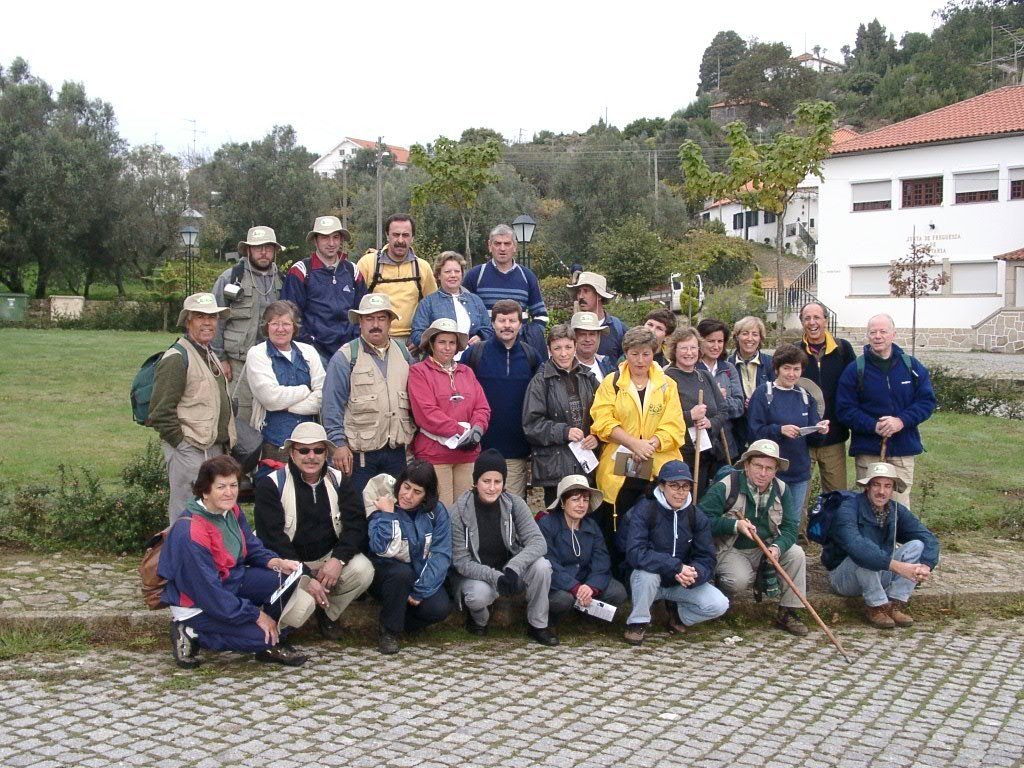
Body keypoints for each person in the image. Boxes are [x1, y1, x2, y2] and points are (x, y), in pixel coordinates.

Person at [160, 455, 314, 669]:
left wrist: (276, 562)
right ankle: (191, 631)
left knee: (286, 580)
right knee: (262, 638)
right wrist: (256, 614)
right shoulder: (191, 532)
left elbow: (250, 545)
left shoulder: (230, 510)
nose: (229, 492)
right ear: (205, 491)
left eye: (233, 485)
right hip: (199, 604)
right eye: (221, 486)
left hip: (229, 582)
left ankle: (271, 637)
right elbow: (210, 593)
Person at [253, 423, 374, 641]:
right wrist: (306, 575)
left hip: (327, 556)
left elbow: (356, 526)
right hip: (287, 563)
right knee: (300, 609)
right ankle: (283, 628)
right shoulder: (270, 485)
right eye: (304, 450)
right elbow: (272, 539)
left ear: (326, 454)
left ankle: (327, 613)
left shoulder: (339, 480)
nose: (311, 456)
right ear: (292, 453)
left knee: (363, 570)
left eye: (318, 450)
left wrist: (338, 560)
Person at [698, 439, 810, 636]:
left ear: (775, 470)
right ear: (747, 465)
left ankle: (788, 611)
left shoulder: (782, 489)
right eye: (758, 466)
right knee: (738, 580)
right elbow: (701, 520)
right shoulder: (726, 486)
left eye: (769, 468)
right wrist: (735, 525)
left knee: (796, 554)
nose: (763, 473)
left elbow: (790, 527)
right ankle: (722, 591)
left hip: (766, 548)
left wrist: (778, 547)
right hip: (731, 548)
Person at [590, 327, 685, 556]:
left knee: (655, 526)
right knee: (618, 525)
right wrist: (633, 443)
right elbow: (602, 420)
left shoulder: (667, 385)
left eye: (646, 354)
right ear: (626, 354)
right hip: (619, 465)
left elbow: (674, 424)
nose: (640, 360)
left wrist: (649, 445)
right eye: (634, 354)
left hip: (657, 465)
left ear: (654, 353)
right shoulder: (612, 382)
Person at [450, 450, 557, 646]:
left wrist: (514, 567)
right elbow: (461, 562)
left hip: (509, 566)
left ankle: (538, 625)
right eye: (486, 481)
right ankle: (479, 620)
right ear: (475, 481)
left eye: (497, 482)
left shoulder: (515, 504)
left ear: (504, 483)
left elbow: (538, 541)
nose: (492, 488)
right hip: (477, 573)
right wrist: (495, 577)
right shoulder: (458, 511)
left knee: (542, 566)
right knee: (478, 596)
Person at [620, 461, 729, 645]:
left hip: (680, 582)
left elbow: (707, 557)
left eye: (685, 486)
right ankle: (637, 622)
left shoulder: (696, 516)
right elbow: (636, 552)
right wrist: (676, 567)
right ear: (662, 486)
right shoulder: (644, 510)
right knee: (646, 576)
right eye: (674, 485)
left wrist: (694, 573)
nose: (680, 492)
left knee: (719, 604)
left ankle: (678, 616)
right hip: (649, 580)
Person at [150, 293, 236, 522]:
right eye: (200, 316)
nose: (207, 322)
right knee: (186, 514)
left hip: (211, 448)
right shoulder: (176, 358)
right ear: (188, 321)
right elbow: (160, 412)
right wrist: (182, 446)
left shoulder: (208, 353)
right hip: (190, 449)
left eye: (212, 317)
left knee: (211, 514)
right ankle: (180, 547)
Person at [822, 462, 940, 629]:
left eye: (887, 486)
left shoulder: (896, 510)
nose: (881, 491)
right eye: (876, 485)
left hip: (881, 571)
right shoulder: (848, 508)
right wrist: (898, 567)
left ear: (893, 490)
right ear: (867, 487)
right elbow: (856, 546)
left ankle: (895, 603)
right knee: (865, 553)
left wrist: (926, 566)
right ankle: (876, 606)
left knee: (917, 545)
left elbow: (929, 538)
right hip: (845, 578)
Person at [836, 314, 936, 507]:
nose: (878, 336)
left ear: (893, 334)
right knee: (868, 508)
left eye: (883, 331)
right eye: (873, 332)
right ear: (867, 335)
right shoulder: (855, 369)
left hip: (902, 450)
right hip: (868, 451)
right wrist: (873, 426)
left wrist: (901, 421)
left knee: (899, 509)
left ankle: (896, 530)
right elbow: (845, 409)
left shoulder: (911, 366)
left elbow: (926, 401)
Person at [322, 293, 416, 496]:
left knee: (395, 506)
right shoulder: (345, 357)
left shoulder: (404, 354)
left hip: (397, 452)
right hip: (359, 456)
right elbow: (331, 405)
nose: (375, 324)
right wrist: (338, 444)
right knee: (358, 508)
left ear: (390, 322)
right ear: (360, 322)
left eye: (381, 318)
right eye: (369, 319)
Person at [366, 462, 453, 654]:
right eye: (406, 487)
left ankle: (403, 622)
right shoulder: (384, 503)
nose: (408, 495)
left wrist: (421, 589)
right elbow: (382, 549)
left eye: (417, 492)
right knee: (401, 574)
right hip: (386, 574)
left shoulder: (437, 512)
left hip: (419, 573)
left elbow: (441, 553)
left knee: (439, 608)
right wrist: (388, 515)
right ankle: (389, 632)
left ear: (426, 495)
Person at [461, 299, 542, 499]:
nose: (507, 325)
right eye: (501, 320)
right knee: (479, 505)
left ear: (520, 324)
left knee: (512, 506)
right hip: (478, 448)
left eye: (512, 321)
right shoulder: (474, 354)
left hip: (516, 451)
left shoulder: (531, 356)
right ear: (492, 323)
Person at [407, 318, 491, 506]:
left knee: (465, 510)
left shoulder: (467, 372)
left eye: (452, 343)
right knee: (441, 510)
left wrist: (477, 429)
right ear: (432, 344)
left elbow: (482, 407)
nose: (447, 347)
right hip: (435, 454)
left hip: (467, 455)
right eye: (442, 342)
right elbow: (427, 413)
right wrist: (462, 432)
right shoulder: (419, 372)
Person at [746, 344, 829, 518]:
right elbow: (754, 432)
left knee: (792, 521)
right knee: (767, 520)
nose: (791, 374)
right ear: (777, 369)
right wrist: (779, 430)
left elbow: (812, 439)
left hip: (798, 473)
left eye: (796, 369)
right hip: (770, 473)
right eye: (787, 368)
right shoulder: (763, 393)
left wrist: (820, 431)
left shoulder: (805, 396)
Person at [522, 324, 601, 506]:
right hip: (555, 467)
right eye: (557, 348)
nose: (564, 354)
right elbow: (531, 426)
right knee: (558, 516)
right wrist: (563, 432)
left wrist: (597, 436)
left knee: (586, 513)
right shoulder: (540, 382)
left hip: (585, 464)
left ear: (575, 347)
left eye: (568, 347)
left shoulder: (588, 378)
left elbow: (604, 416)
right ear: (549, 350)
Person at [211, 226, 284, 422]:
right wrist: (220, 358)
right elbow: (215, 319)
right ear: (248, 250)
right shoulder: (230, 278)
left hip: (273, 363)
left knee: (271, 416)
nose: (263, 252)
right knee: (239, 418)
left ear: (275, 251)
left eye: (268, 247)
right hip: (238, 363)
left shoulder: (282, 280)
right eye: (258, 247)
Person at [538, 475, 627, 629]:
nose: (581, 505)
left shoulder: (592, 526)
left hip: (585, 579)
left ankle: (586, 617)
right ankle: (550, 621)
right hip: (558, 584)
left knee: (617, 592)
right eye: (575, 499)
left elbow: (601, 560)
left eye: (585, 500)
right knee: (562, 600)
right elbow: (549, 561)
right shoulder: (547, 524)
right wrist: (574, 587)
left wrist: (590, 587)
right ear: (563, 502)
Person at [244, 301, 325, 469]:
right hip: (273, 442)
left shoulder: (309, 352)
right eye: (275, 323)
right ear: (267, 327)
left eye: (286, 324)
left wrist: (287, 406)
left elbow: (322, 397)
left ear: (294, 327)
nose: (280, 329)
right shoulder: (257, 354)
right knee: (276, 483)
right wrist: (305, 390)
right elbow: (271, 398)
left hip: (309, 443)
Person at [281, 215, 366, 364]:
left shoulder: (352, 270)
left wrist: (355, 340)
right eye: (325, 238)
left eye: (336, 237)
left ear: (341, 240)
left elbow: (363, 311)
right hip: (314, 353)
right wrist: (309, 345)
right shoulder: (300, 271)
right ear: (315, 240)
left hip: (351, 351)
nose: (331, 243)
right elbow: (290, 315)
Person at [463, 224, 549, 357]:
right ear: (489, 246)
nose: (502, 248)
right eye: (497, 243)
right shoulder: (475, 275)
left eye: (507, 244)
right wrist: (478, 335)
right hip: (484, 350)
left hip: (519, 350)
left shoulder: (527, 276)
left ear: (514, 247)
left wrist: (530, 336)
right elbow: (464, 312)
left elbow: (541, 315)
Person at [798, 301, 857, 494]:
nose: (812, 322)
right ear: (802, 322)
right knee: (799, 499)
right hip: (803, 439)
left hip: (834, 437)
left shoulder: (843, 349)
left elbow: (855, 386)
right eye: (807, 318)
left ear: (826, 320)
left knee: (837, 498)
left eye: (817, 317)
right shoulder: (795, 351)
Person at [356, 214, 437, 352]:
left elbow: (433, 306)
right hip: (373, 338)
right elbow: (355, 304)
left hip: (411, 343)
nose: (400, 240)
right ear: (387, 236)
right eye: (395, 235)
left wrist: (421, 338)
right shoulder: (368, 264)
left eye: (405, 235)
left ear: (412, 238)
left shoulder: (422, 267)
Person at [664, 327, 727, 498]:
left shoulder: (705, 376)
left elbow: (723, 410)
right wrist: (689, 416)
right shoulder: (666, 378)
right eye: (684, 348)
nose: (689, 353)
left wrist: (710, 423)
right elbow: (662, 417)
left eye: (693, 348)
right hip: (680, 454)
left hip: (706, 453)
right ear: (674, 350)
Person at [410, 250, 491, 352]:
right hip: (439, 358)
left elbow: (488, 328)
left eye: (457, 271)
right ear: (438, 275)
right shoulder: (427, 303)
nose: (453, 275)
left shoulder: (475, 300)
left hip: (472, 357)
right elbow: (417, 334)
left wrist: (480, 337)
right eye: (447, 272)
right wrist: (436, 344)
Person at [696, 318, 745, 471]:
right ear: (700, 341)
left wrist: (722, 401)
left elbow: (739, 406)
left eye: (720, 341)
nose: (716, 346)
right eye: (711, 341)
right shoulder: (692, 369)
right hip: (699, 443)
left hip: (726, 443)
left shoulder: (728, 369)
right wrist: (711, 399)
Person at [727, 315, 775, 453]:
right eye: (745, 333)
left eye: (755, 334)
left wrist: (759, 403)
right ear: (737, 337)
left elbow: (778, 395)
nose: (750, 338)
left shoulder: (771, 363)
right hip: (736, 430)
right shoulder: (727, 365)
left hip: (764, 430)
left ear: (760, 338)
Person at [567, 271, 626, 360]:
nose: (581, 296)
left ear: (599, 296)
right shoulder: (570, 328)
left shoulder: (617, 327)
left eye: (586, 291)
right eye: (579, 292)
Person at [571, 311, 616, 380]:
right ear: (573, 337)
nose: (587, 339)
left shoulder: (606, 365)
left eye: (592, 334)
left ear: (598, 337)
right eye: (582, 334)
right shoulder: (565, 368)